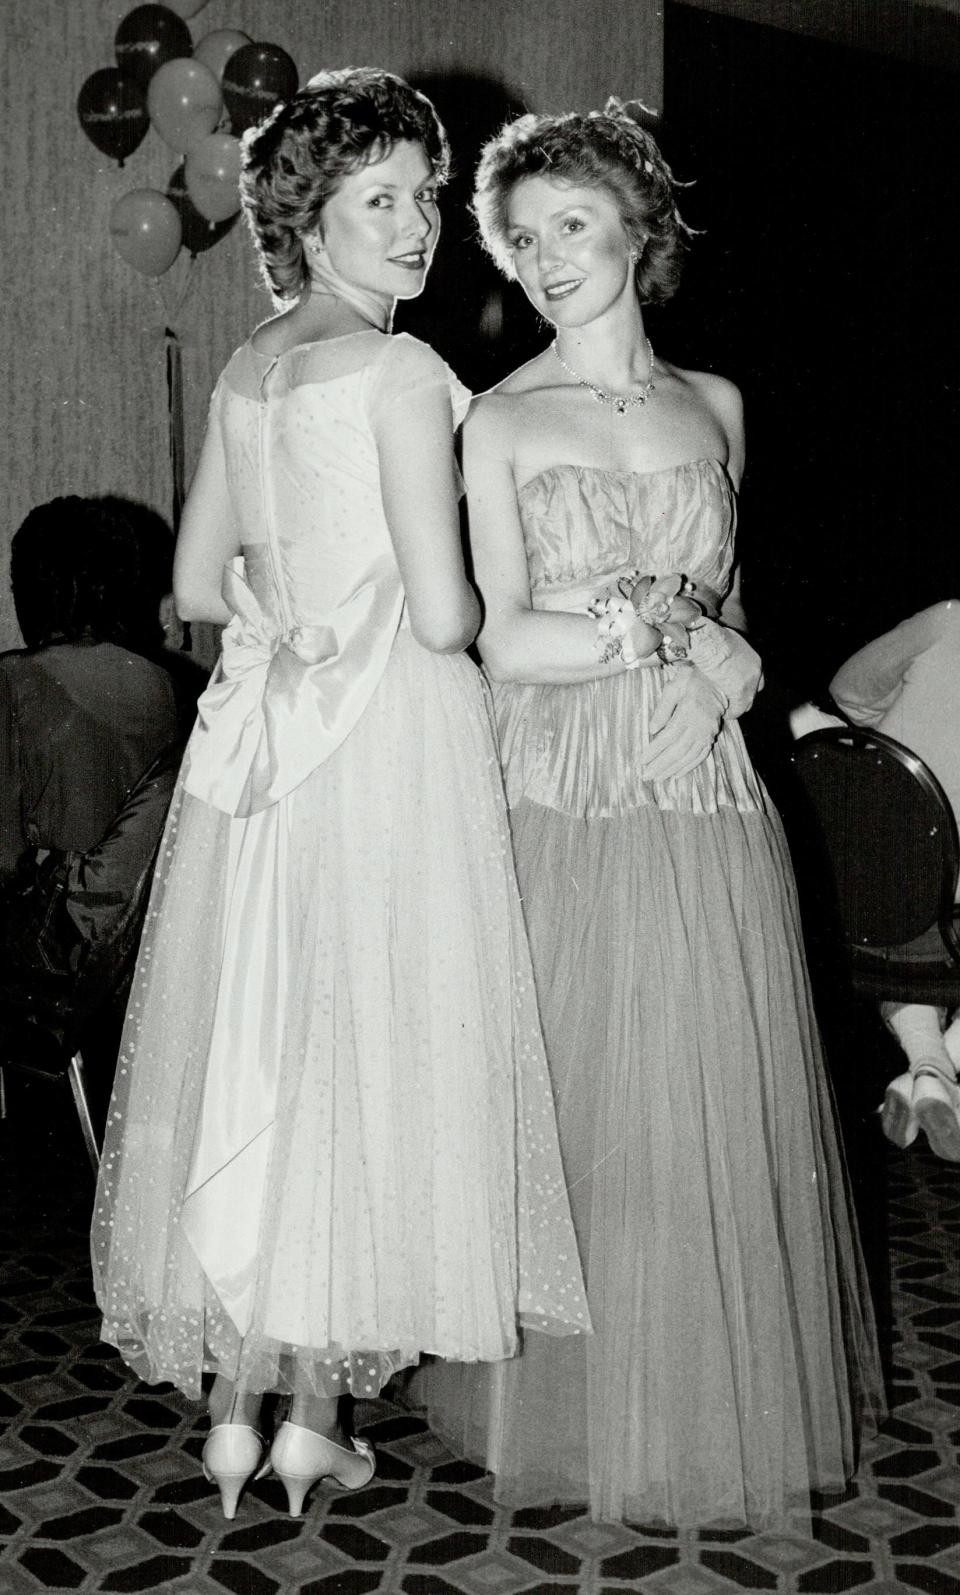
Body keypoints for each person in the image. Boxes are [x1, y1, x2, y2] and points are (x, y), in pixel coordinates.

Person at [90, 68, 589, 1524]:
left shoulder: (251, 366)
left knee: (271, 1048)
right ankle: (311, 1420)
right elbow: (448, 618)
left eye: (426, 196)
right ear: (309, 221)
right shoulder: (404, 373)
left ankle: (250, 1416)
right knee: (370, 1059)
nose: (418, 225)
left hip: (269, 754)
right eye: (384, 200)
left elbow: (192, 586)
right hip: (390, 750)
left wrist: (289, 623)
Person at [420, 100, 885, 1531]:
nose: (546, 257)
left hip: (698, 787)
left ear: (638, 219)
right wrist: (663, 632)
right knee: (579, 1107)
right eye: (520, 235)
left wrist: (734, 654)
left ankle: (697, 1399)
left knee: (702, 1105)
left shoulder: (719, 405)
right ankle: (567, 1401)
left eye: (571, 224)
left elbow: (735, 612)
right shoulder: (498, 416)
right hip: (562, 786)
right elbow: (495, 635)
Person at [828, 602, 960, 1157]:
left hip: (874, 899)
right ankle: (936, 1071)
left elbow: (847, 695)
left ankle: (929, 1071)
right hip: (950, 913)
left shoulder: (950, 619)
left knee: (918, 928)